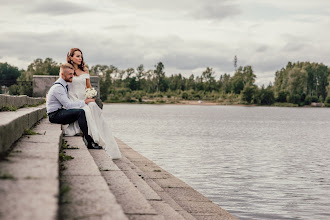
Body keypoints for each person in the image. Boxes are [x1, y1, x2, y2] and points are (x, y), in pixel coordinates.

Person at [64, 48, 121, 159]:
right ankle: (91, 139)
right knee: (85, 109)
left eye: (81, 56)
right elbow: (62, 84)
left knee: (93, 106)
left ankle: (98, 137)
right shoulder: (66, 69)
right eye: (77, 56)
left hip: (85, 98)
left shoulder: (85, 70)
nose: (80, 58)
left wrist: (90, 94)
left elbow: (88, 86)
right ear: (70, 57)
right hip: (73, 99)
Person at [46, 63, 102, 149]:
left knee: (82, 112)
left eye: (72, 74)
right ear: (62, 74)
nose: (72, 76)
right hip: (54, 115)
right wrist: (85, 102)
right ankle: (89, 141)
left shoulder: (63, 84)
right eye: (70, 74)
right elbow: (68, 105)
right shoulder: (58, 87)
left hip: (58, 111)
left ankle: (89, 138)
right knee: (81, 112)